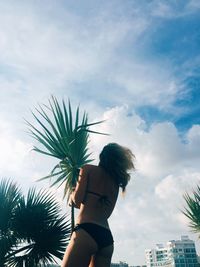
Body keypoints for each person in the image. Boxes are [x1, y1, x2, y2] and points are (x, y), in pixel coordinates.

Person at [61, 143, 135, 267]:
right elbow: (107, 213)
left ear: (102, 157)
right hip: (106, 239)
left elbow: (76, 201)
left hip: (86, 232)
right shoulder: (115, 184)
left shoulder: (87, 169)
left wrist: (72, 192)